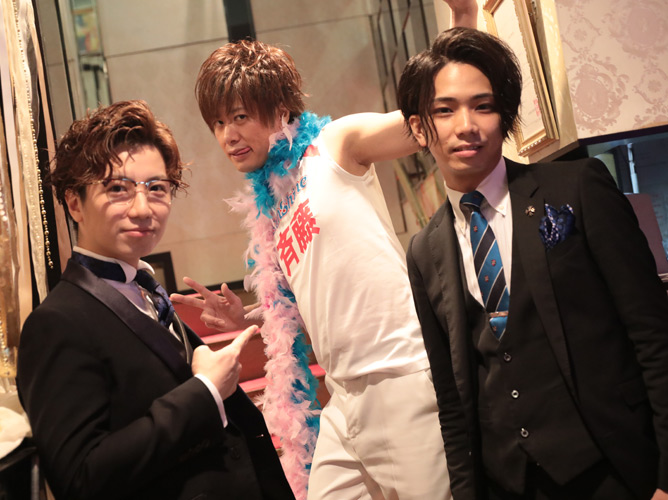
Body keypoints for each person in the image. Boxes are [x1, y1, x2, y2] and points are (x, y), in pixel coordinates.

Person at [173, 3, 478, 498]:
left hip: (401, 377)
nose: (228, 135)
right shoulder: (271, 208)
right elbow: (310, 301)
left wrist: (463, 20)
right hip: (342, 397)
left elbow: (427, 121)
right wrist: (245, 318)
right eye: (218, 122)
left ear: (280, 108)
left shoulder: (335, 146)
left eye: (241, 117)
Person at [399, 27, 668, 500]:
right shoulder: (425, 251)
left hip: (614, 469)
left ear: (504, 116)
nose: (467, 125)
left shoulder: (577, 187)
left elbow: (654, 336)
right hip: (509, 483)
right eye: (445, 110)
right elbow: (453, 399)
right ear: (420, 128)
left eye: (483, 106)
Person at [17, 100, 295, 500]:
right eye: (118, 189)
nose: (143, 208)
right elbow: (79, 479)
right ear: (75, 203)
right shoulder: (56, 322)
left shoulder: (145, 286)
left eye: (157, 189)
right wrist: (205, 393)